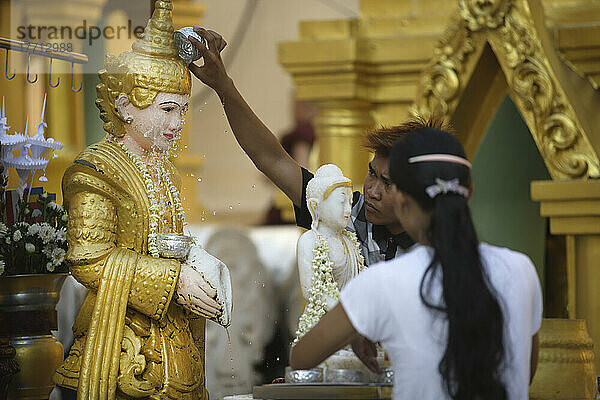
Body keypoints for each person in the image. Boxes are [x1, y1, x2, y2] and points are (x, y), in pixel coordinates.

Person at [290, 127, 542, 399]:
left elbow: (302, 358)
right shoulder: (521, 270)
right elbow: (524, 373)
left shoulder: (382, 282)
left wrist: (352, 331)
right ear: (468, 192)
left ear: (401, 198)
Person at [53, 2, 225, 399]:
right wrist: (173, 279)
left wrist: (200, 263)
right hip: (121, 349)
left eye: (182, 111)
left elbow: (167, 244)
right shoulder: (95, 169)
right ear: (125, 106)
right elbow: (89, 259)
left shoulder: (166, 171)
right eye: (166, 109)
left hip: (176, 345)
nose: (177, 123)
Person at [187, 28, 429, 266]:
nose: (372, 191)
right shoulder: (350, 214)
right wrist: (223, 86)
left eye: (387, 183)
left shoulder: (437, 250)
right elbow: (271, 159)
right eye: (371, 174)